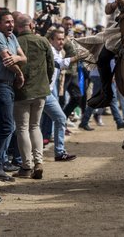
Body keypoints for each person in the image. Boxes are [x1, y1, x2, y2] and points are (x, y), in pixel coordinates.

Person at [0, 9, 26, 182]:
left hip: (6, 86)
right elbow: (7, 61)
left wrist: (16, 59)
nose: (10, 25)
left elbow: (22, 58)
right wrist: (20, 74)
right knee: (7, 127)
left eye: (12, 22)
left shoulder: (12, 37)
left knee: (3, 127)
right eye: (7, 22)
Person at [13, 15, 54, 178]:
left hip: (21, 91)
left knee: (22, 128)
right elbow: (51, 65)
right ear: (31, 25)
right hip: (41, 90)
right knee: (35, 126)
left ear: (18, 27)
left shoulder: (15, 42)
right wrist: (46, 80)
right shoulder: (43, 41)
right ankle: (38, 162)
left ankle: (26, 166)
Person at [46, 28, 77, 162]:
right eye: (58, 39)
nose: (61, 42)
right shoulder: (50, 50)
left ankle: (59, 152)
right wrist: (79, 57)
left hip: (48, 90)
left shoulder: (58, 51)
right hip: (43, 91)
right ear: (51, 40)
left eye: (62, 39)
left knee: (60, 118)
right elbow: (59, 64)